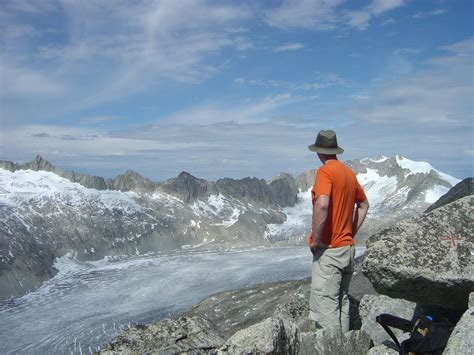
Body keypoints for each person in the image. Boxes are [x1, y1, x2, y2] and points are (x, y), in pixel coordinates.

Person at [307, 129, 369, 332]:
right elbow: (364, 205)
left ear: (318, 152)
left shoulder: (325, 172)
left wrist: (316, 240)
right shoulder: (349, 174)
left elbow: (323, 204)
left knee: (326, 310)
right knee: (341, 304)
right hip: (347, 250)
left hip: (330, 250)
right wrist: (350, 232)